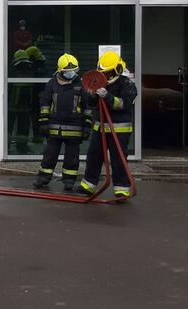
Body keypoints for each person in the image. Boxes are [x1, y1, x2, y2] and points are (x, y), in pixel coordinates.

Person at [79, 51, 138, 200]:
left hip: (119, 129)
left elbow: (123, 104)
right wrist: (91, 95)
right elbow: (92, 105)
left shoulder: (127, 84)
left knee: (118, 159)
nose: (106, 75)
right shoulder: (99, 82)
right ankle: (88, 185)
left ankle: (121, 189)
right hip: (100, 128)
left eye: (109, 72)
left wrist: (108, 96)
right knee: (93, 156)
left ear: (117, 69)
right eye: (103, 72)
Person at [32, 53, 91, 191]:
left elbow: (88, 107)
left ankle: (69, 180)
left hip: (75, 128)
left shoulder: (80, 84)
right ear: (60, 70)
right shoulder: (52, 84)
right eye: (68, 71)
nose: (72, 73)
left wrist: (87, 125)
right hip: (54, 128)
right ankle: (43, 178)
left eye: (74, 71)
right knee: (49, 155)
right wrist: (44, 122)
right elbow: (45, 103)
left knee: (72, 157)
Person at [8, 49, 35, 152]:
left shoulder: (13, 67)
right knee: (24, 126)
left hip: (12, 102)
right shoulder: (32, 66)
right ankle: (22, 146)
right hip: (27, 102)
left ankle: (7, 146)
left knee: (9, 126)